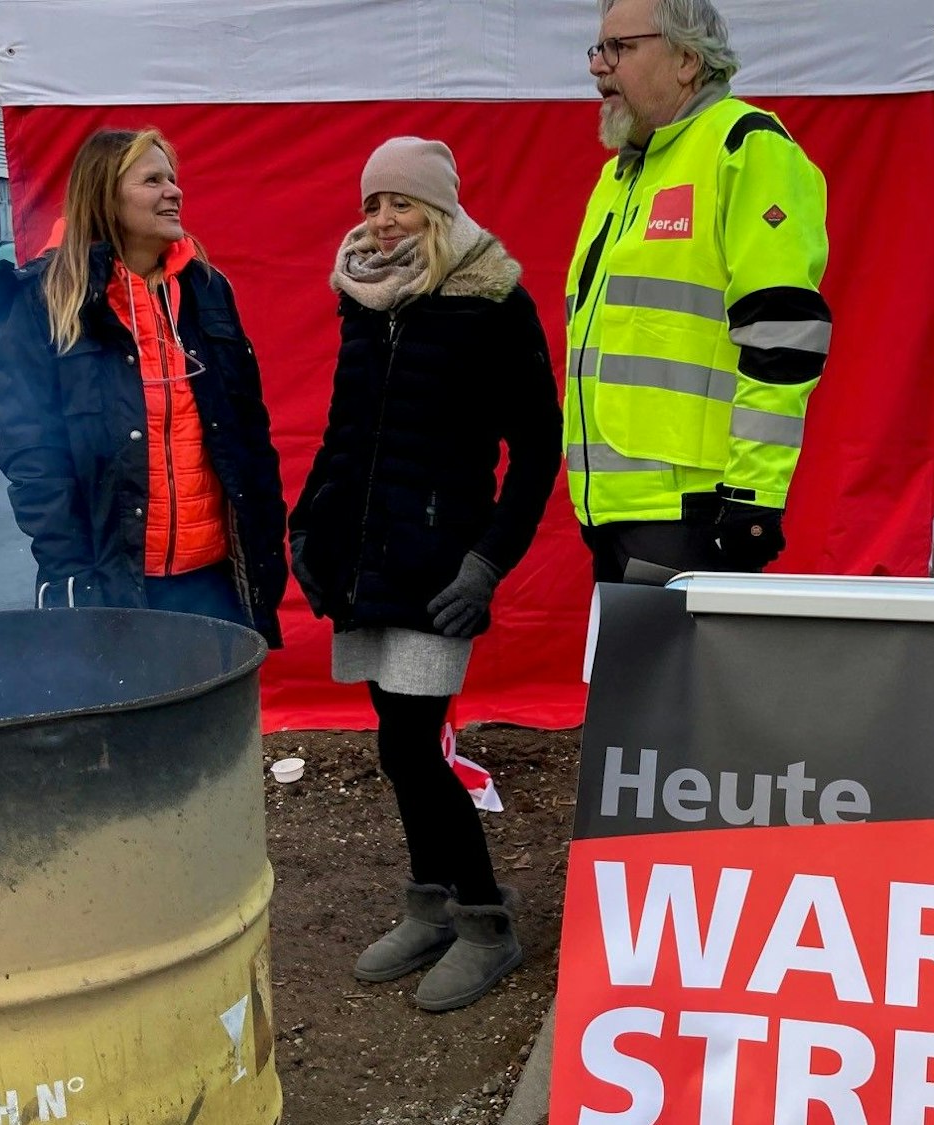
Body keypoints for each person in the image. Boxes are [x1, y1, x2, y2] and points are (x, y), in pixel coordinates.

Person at [289, 137, 561, 1013]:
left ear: (439, 207)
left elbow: (538, 449)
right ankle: (432, 904)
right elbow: (346, 426)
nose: (382, 220)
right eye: (372, 203)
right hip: (363, 560)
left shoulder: (493, 300)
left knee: (412, 744)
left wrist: (487, 563)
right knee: (395, 743)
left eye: (400, 202)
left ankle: (486, 922)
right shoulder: (363, 296)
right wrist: (311, 519)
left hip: (439, 566)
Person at [0, 128, 289, 643]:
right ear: (104, 195)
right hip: (112, 584)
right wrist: (70, 572)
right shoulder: (42, 301)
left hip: (216, 582)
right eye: (152, 180)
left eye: (172, 178)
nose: (174, 191)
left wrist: (266, 547)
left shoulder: (208, 290)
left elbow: (251, 438)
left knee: (218, 699)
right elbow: (33, 458)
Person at [566, 0, 832, 583]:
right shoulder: (621, 176)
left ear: (687, 60)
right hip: (612, 513)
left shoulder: (744, 147)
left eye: (619, 48)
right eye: (597, 49)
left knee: (681, 653)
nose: (597, 66)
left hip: (698, 516)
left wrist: (754, 495)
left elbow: (784, 331)